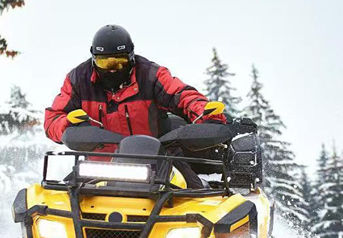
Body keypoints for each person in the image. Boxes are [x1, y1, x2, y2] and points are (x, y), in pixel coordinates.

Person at [44, 23, 226, 151]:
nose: (112, 69)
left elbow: (182, 95)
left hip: (159, 161)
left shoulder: (151, 75)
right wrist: (69, 126)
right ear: (93, 59)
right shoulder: (78, 80)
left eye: (119, 62)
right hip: (99, 167)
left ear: (131, 57)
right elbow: (52, 119)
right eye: (104, 62)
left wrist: (206, 114)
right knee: (57, 197)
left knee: (195, 193)